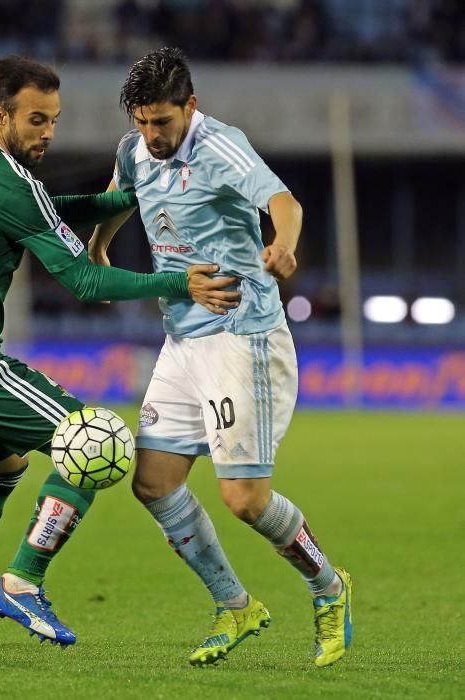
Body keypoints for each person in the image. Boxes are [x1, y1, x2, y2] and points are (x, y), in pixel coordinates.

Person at [0, 55, 239, 658]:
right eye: (35, 119)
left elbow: (45, 208)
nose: (48, 132)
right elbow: (83, 281)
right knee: (98, 441)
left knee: (2, 469)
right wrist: (176, 282)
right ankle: (22, 580)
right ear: (0, 115)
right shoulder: (12, 184)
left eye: (53, 120)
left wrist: (120, 198)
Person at [89, 47, 352, 668]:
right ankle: (235, 605)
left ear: (191, 107)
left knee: (245, 499)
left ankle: (329, 587)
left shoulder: (219, 145)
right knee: (152, 483)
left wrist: (283, 246)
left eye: (162, 123)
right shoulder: (133, 150)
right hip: (181, 338)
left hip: (242, 336)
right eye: (141, 121)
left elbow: (283, 202)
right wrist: (97, 250)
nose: (151, 135)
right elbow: (118, 195)